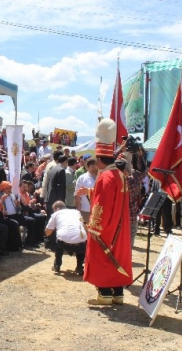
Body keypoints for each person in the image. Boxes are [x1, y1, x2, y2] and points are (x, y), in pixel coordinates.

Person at [76, 119, 132, 305]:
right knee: (116, 258)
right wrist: (91, 192)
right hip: (119, 225)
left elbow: (102, 205)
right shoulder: (119, 175)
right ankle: (118, 294)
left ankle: (105, 294)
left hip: (106, 227)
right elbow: (114, 199)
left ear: (99, 160)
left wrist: (94, 227)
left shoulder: (105, 177)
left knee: (102, 259)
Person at [45, 201, 86, 276]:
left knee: (58, 239)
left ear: (57, 209)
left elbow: (48, 232)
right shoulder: (77, 212)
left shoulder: (56, 214)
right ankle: (79, 267)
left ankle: (57, 265)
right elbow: (83, 224)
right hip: (80, 245)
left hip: (63, 243)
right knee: (81, 239)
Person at [75, 158, 97, 224]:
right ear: (90, 166)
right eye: (95, 165)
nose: (97, 168)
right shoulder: (82, 178)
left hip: (98, 210)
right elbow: (77, 194)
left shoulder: (100, 176)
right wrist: (78, 208)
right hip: (86, 210)